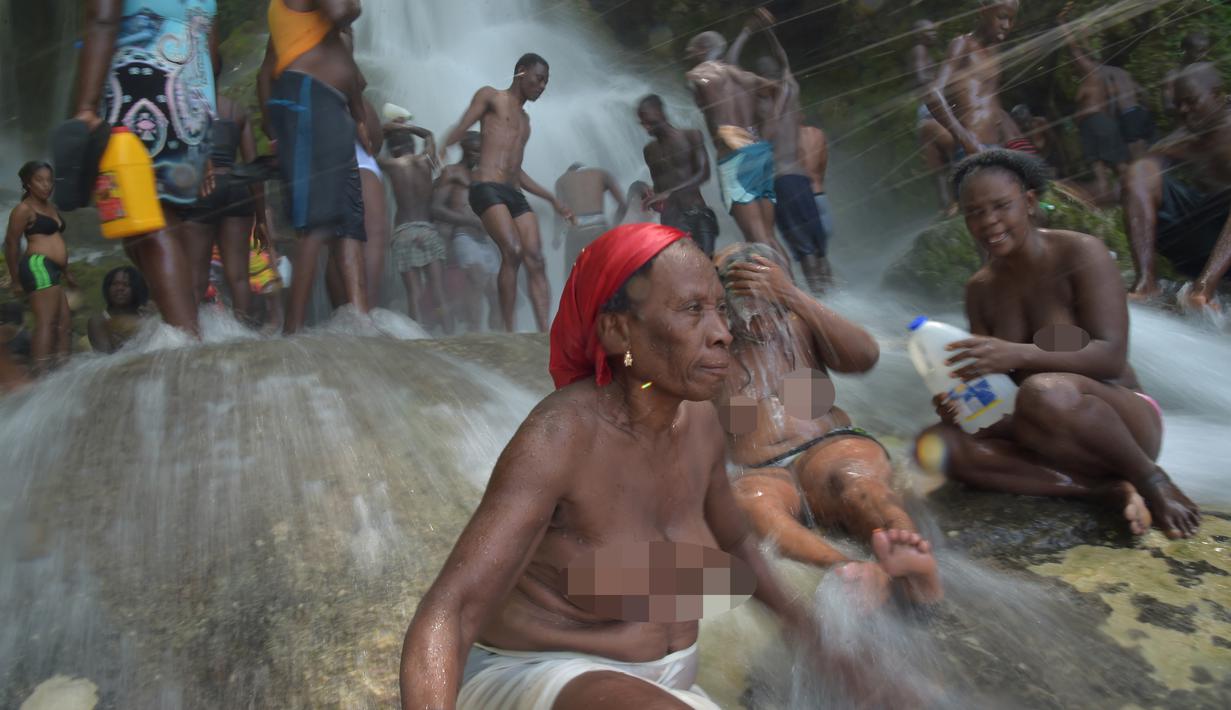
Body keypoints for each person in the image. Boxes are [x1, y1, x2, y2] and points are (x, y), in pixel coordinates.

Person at [399, 223, 901, 710]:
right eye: (692, 311)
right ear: (619, 331)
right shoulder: (560, 436)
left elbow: (736, 546)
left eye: (720, 310)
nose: (723, 333)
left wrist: (818, 643)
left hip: (668, 685)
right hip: (547, 674)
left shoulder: (699, 421)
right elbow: (450, 611)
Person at [915, 149, 1200, 540]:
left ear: (1029, 202)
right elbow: (998, 394)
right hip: (1041, 426)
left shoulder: (1081, 253)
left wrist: (1017, 353)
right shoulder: (979, 290)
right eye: (974, 213)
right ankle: (1104, 490)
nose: (989, 222)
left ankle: (1151, 480)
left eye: (1001, 206)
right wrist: (964, 411)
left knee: (1043, 390)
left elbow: (1112, 357)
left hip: (1122, 419)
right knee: (937, 443)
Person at [715, 243, 941, 608]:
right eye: (730, 276)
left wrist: (792, 295)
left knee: (856, 481)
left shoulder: (799, 324)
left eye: (760, 272)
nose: (746, 281)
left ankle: (906, 552)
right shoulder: (713, 348)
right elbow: (649, 383)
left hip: (828, 445)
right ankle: (848, 569)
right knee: (750, 504)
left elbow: (865, 356)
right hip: (761, 471)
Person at [74, 0, 219, 338]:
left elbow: (102, 18)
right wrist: (207, 133)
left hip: (140, 91)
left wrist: (85, 107)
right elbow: (207, 48)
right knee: (157, 221)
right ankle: (186, 327)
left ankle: (184, 339)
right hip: (192, 105)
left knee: (147, 224)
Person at [438, 53, 574, 332]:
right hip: (485, 187)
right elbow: (463, 126)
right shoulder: (491, 97)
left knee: (536, 258)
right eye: (539, 79)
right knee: (512, 250)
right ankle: (509, 331)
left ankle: (544, 333)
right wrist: (442, 145)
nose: (542, 86)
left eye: (546, 82)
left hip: (513, 192)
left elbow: (518, 172)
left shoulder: (526, 122)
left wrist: (552, 199)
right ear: (521, 72)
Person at [258, 0, 370, 333]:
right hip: (310, 99)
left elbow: (267, 70)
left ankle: (346, 320)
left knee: (335, 219)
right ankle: (292, 331)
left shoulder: (302, 27)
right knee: (317, 222)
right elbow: (341, 11)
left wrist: (359, 117)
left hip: (323, 102)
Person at [1122, 63, 1231, 309]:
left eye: (1192, 101)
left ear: (1216, 94)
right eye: (1179, 104)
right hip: (1196, 238)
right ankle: (1146, 281)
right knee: (1139, 171)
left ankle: (1204, 289)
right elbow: (1133, 184)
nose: (1184, 110)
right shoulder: (1184, 136)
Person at [685, 12, 789, 261]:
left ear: (703, 50)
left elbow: (706, 85)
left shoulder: (701, 75)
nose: (688, 57)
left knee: (756, 238)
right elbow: (779, 90)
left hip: (734, 156)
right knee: (768, 234)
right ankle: (794, 292)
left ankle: (782, 298)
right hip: (758, 150)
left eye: (692, 52)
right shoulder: (745, 77)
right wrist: (767, 129)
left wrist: (726, 131)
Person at [744, 14, 834, 293]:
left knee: (804, 249)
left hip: (781, 182)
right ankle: (835, 302)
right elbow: (785, 63)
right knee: (818, 250)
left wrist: (748, 32)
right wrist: (770, 33)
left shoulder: (762, 106)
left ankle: (821, 304)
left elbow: (733, 70)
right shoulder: (791, 93)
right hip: (802, 181)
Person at [185, 54, 278, 325]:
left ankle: (193, 334)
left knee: (197, 275)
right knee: (238, 275)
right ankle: (242, 332)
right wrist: (260, 218)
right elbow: (253, 167)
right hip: (237, 188)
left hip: (203, 188)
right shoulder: (236, 110)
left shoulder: (185, 105)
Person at [925, 0, 1020, 162]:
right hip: (971, 149)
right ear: (983, 11)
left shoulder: (995, 53)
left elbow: (992, 102)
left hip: (997, 148)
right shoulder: (963, 45)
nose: (1006, 25)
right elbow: (932, 94)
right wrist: (966, 139)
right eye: (1002, 17)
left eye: (1011, 20)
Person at [380, 120, 452, 331]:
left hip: (404, 232)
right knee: (438, 291)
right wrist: (407, 128)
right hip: (428, 231)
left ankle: (417, 339)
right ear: (412, 145)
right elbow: (429, 134)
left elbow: (368, 152)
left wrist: (386, 131)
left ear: (393, 149)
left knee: (414, 293)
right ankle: (449, 334)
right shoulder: (426, 160)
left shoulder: (392, 165)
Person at [5, 162, 73, 375]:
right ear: (27, 183)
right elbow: (11, 243)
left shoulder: (50, 207)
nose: (46, 185)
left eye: (49, 180)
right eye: (39, 180)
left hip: (53, 269)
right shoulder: (23, 209)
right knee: (47, 320)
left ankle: (62, 369)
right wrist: (15, 279)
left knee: (64, 323)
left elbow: (56, 240)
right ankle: (41, 370)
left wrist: (66, 272)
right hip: (37, 265)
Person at [1058, 7, 1128, 204]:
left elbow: (1072, 48)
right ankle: (1113, 206)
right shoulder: (1091, 78)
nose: (1073, 64)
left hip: (1098, 125)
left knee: (1119, 168)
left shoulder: (1092, 72)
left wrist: (1062, 25)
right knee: (1103, 175)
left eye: (1076, 62)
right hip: (1093, 127)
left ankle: (1137, 196)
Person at [433, 132, 500, 333]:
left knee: (497, 292)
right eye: (475, 152)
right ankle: (475, 333)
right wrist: (469, 220)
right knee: (477, 280)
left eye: (483, 152)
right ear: (465, 150)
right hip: (463, 236)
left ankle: (500, 339)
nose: (480, 156)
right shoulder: (452, 173)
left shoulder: (485, 175)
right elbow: (435, 208)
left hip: (485, 240)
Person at [635, 95, 718, 256]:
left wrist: (669, 193)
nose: (646, 127)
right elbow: (659, 186)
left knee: (708, 265)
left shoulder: (692, 136)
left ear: (660, 112)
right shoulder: (649, 151)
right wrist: (651, 199)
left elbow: (704, 174)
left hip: (696, 212)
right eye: (642, 123)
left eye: (648, 120)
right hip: (670, 221)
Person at [910, 19, 958, 209]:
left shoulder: (923, 51)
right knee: (955, 149)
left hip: (926, 109)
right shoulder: (919, 50)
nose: (934, 34)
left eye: (934, 30)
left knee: (937, 164)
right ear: (918, 35)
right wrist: (943, 80)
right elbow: (921, 77)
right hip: (931, 109)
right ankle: (959, 198)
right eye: (928, 31)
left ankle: (947, 205)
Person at [553, 163, 626, 270]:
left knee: (574, 277)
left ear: (569, 172)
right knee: (610, 273)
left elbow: (558, 213)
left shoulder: (562, 180)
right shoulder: (602, 173)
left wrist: (556, 237)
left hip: (576, 231)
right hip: (600, 229)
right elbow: (623, 205)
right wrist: (614, 227)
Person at [87, 266, 151, 353]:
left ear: (136, 289)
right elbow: (104, 357)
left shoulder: (146, 317)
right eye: (114, 284)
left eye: (126, 284)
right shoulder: (99, 320)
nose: (119, 289)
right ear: (107, 288)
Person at [1162, 31, 1211, 116]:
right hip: (1189, 125)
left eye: (1205, 51)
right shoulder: (1172, 75)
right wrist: (1188, 109)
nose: (1204, 55)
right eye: (1199, 51)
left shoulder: (1205, 72)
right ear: (1185, 50)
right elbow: (1168, 108)